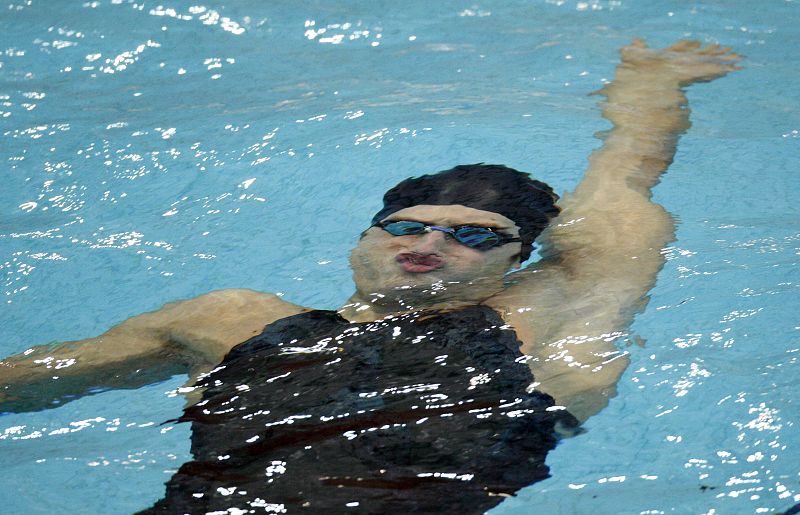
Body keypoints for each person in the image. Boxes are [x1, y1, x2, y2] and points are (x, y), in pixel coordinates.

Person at [1, 40, 739, 512]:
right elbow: (37, 379)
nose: (430, 241)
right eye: (406, 225)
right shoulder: (228, 319)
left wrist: (650, 85)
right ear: (364, 238)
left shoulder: (546, 315)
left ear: (517, 260)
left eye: (474, 235)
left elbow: (620, 196)